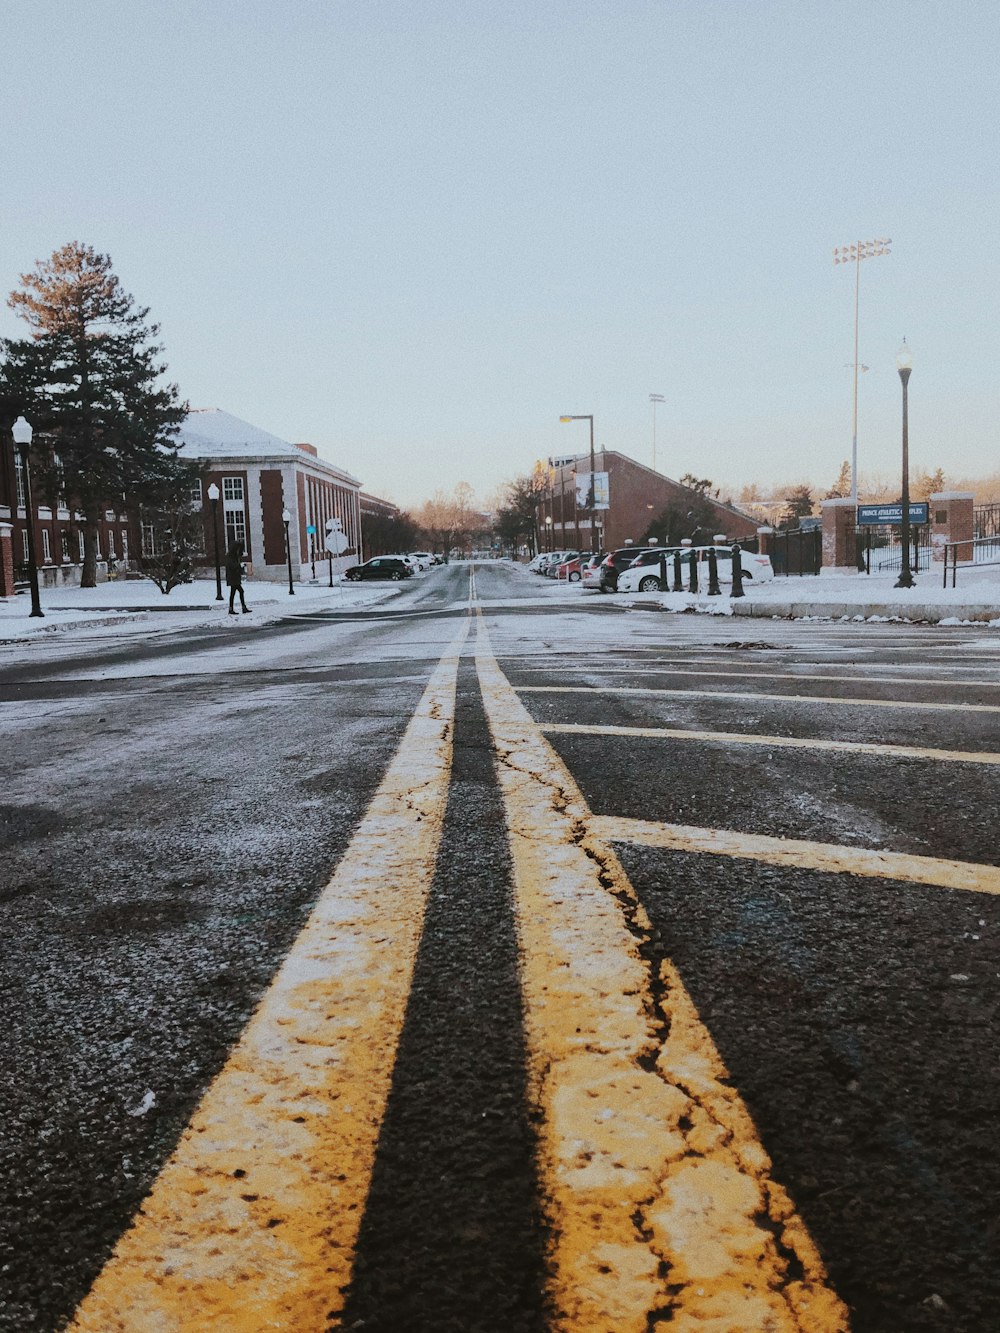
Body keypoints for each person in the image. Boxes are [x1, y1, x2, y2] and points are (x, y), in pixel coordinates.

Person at [226, 540, 250, 615]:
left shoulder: (236, 557)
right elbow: (232, 566)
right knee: (240, 591)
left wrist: (241, 570)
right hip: (233, 578)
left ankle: (232, 608)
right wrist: (240, 566)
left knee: (233, 593)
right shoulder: (231, 557)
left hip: (235, 577)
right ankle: (242, 607)